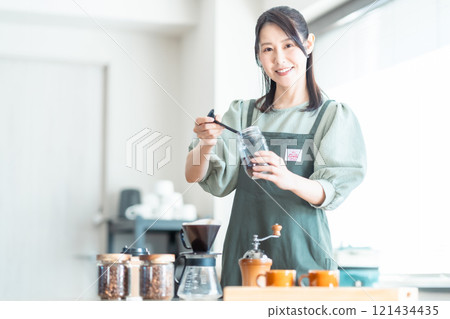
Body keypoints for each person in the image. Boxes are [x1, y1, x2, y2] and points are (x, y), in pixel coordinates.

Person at [185, 6, 367, 287]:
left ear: (308, 44)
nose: (279, 59)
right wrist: (206, 144)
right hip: (245, 257)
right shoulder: (243, 113)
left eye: (288, 45)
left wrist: (288, 178)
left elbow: (330, 192)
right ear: (259, 56)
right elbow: (195, 175)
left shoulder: (332, 116)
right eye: (267, 49)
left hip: (305, 261)